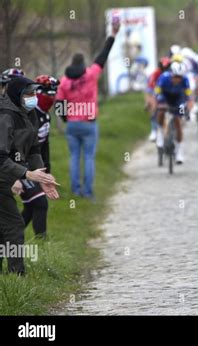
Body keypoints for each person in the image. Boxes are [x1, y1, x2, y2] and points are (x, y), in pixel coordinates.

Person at [0, 77, 60, 275]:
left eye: (34, 93)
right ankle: (18, 276)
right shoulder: (6, 116)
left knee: (6, 227)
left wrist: (42, 177)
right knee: (15, 225)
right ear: (17, 95)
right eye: (28, 94)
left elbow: (34, 149)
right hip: (4, 173)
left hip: (8, 173)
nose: (33, 97)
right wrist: (24, 174)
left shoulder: (30, 112)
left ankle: (8, 275)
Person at [56, 20, 120, 199]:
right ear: (83, 64)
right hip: (89, 123)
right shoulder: (91, 74)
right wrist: (113, 34)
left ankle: (76, 192)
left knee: (74, 157)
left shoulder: (64, 82)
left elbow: (59, 104)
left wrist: (66, 120)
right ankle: (88, 192)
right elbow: (103, 55)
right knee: (89, 158)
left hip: (73, 125)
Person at [15, 75, 60, 239]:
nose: (51, 98)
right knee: (40, 203)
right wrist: (19, 175)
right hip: (21, 166)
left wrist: (46, 171)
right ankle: (42, 243)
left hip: (34, 166)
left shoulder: (45, 116)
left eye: (53, 95)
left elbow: (43, 147)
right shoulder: (26, 116)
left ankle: (9, 237)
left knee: (30, 206)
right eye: (48, 94)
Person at [154, 62, 193, 164]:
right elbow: (157, 91)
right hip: (165, 96)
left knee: (178, 122)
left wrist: (188, 108)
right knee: (161, 111)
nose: (177, 79)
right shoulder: (164, 78)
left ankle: (179, 150)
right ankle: (160, 133)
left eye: (179, 77)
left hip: (178, 99)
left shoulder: (185, 80)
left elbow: (188, 96)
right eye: (175, 77)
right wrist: (157, 101)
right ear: (171, 75)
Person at [145, 56, 171, 142]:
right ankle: (154, 130)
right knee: (154, 107)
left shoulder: (173, 74)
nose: (164, 70)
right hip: (157, 93)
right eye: (163, 68)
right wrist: (151, 100)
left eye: (166, 68)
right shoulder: (155, 74)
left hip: (170, 93)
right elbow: (150, 88)